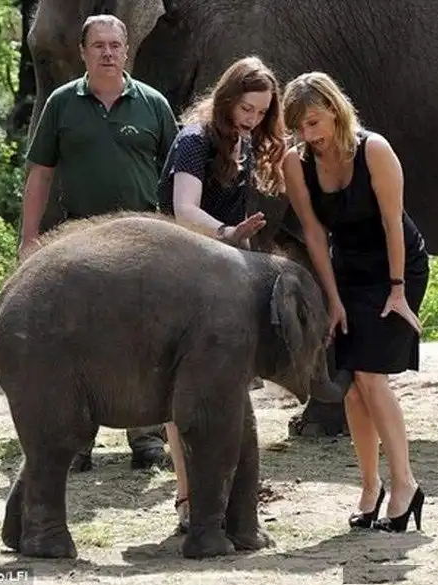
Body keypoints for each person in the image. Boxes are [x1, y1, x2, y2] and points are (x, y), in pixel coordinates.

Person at [19, 14, 179, 470]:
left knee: (145, 339)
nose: (107, 52)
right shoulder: (61, 104)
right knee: (80, 340)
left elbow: (178, 175)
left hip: (144, 244)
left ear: (126, 50)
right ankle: (77, 441)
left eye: (115, 45)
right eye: (98, 45)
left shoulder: (153, 104)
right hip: (81, 245)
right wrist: (30, 239)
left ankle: (146, 439)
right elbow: (40, 175)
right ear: (83, 52)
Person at [281, 71, 429, 532]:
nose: (308, 135)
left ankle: (405, 485)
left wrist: (399, 291)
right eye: (299, 127)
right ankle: (370, 487)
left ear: (334, 109)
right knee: (350, 385)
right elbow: (313, 234)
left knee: (369, 374)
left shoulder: (374, 150)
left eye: (313, 123)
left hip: (396, 268)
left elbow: (392, 223)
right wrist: (333, 298)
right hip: (345, 273)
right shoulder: (296, 163)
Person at [157, 55, 286, 531]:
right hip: (181, 271)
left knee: (231, 386)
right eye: (246, 109)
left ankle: (230, 499)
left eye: (261, 112)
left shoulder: (244, 142)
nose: (252, 119)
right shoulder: (194, 140)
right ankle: (187, 496)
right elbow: (184, 209)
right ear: (228, 98)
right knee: (179, 392)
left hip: (223, 274)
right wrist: (229, 233)